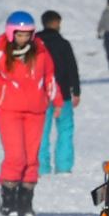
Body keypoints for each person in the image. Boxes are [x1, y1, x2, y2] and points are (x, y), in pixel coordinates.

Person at [0, 11, 60, 216]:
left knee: (31, 158)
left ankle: (25, 200)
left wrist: (58, 101)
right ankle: (8, 197)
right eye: (19, 35)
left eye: (27, 34)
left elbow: (49, 77)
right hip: (9, 109)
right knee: (16, 156)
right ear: (11, 34)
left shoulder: (41, 52)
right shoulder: (0, 52)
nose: (23, 39)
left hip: (36, 110)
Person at [37, 10, 81, 175]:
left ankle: (42, 166)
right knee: (65, 130)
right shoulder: (63, 44)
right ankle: (64, 166)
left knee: (42, 132)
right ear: (56, 23)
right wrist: (76, 91)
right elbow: (72, 68)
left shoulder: (36, 43)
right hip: (62, 94)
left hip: (40, 94)